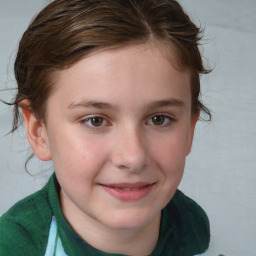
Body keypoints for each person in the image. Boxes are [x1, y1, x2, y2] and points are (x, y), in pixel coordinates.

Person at [0, 0, 212, 255]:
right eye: (95, 120)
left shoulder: (190, 226)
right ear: (39, 131)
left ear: (190, 128)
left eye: (159, 119)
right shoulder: (12, 247)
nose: (133, 158)